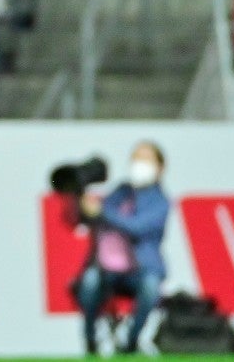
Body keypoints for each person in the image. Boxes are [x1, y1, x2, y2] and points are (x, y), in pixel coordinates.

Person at [76, 141, 170, 356]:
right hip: (108, 269)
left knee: (151, 286)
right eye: (136, 157)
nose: (139, 163)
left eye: (146, 159)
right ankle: (91, 340)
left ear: (160, 167)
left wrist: (101, 211)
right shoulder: (121, 192)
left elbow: (136, 227)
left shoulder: (161, 201)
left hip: (140, 271)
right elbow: (93, 218)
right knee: (89, 281)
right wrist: (82, 203)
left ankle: (131, 341)